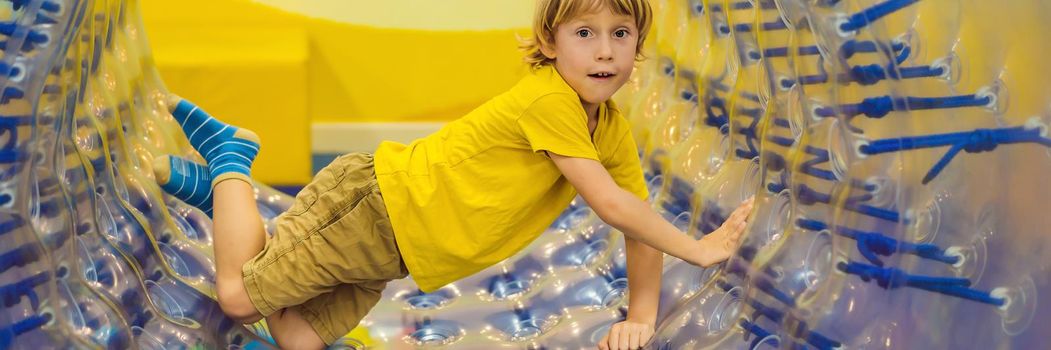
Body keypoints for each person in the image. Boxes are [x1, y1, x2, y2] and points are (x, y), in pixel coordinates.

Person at [151, 0, 754, 348]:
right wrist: (699, 250)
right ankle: (230, 166)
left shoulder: (610, 126)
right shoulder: (549, 101)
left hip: (393, 252)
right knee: (236, 298)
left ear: (638, 46)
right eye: (585, 34)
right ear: (550, 41)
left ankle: (224, 208)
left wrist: (642, 319)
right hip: (374, 208)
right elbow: (612, 206)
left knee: (299, 340)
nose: (604, 52)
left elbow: (637, 227)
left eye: (621, 35)